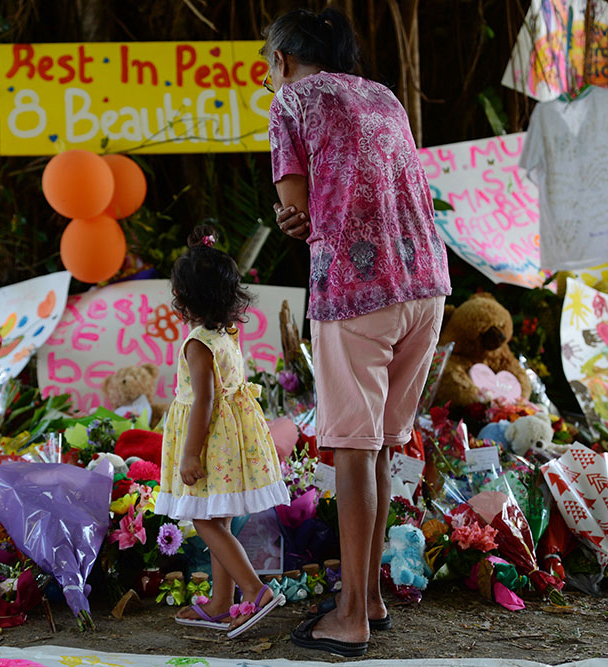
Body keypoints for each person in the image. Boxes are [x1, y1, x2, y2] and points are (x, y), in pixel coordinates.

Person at [262, 7, 452, 657]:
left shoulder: (292, 99)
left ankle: (349, 616)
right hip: (425, 285)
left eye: (268, 63)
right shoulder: (383, 96)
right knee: (372, 449)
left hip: (355, 290)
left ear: (283, 59)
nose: (269, 74)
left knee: (352, 449)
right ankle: (366, 596)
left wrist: (295, 213)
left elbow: (294, 204)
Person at [153, 225, 289, 639]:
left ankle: (255, 591)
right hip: (228, 441)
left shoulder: (198, 343)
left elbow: (203, 401)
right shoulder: (225, 334)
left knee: (204, 520)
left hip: (210, 442)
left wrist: (190, 454)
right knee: (219, 520)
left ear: (184, 299)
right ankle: (220, 602)